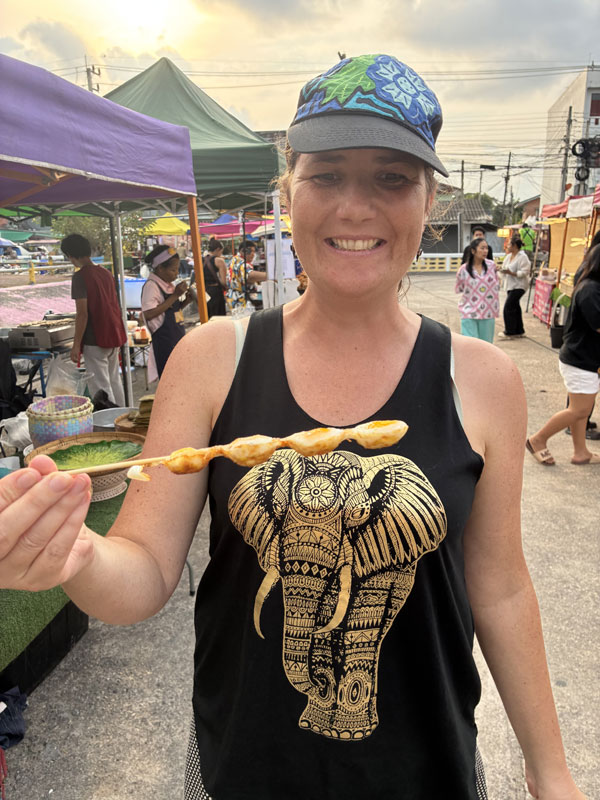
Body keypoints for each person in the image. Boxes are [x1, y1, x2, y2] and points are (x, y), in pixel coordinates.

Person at [0, 54, 585, 800]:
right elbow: (142, 574)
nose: (355, 208)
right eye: (327, 175)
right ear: (288, 192)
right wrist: (76, 555)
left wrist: (550, 770)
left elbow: (499, 587)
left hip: (429, 772)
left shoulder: (483, 380)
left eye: (391, 178)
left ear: (430, 201)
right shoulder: (213, 359)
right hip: (242, 770)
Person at [527, 243, 600, 466]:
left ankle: (581, 452)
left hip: (584, 358)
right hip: (579, 359)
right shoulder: (590, 290)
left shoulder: (592, 287)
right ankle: (537, 440)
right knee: (580, 409)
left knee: (580, 409)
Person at [62, 233, 126, 406]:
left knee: (101, 387)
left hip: (95, 338)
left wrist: (76, 345)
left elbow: (82, 314)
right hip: (113, 334)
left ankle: (109, 420)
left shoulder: (80, 277)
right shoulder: (105, 273)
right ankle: (123, 415)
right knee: (114, 380)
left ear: (70, 255)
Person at [140, 244, 194, 381]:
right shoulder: (152, 286)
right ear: (160, 268)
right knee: (170, 381)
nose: (176, 273)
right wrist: (175, 296)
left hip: (176, 338)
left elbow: (170, 310)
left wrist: (186, 301)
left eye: (177, 270)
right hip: (165, 343)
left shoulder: (167, 285)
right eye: (173, 270)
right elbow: (149, 314)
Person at [455, 237, 500, 342]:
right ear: (473, 250)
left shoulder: (492, 266)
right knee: (470, 343)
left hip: (488, 312)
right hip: (469, 311)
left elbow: (497, 285)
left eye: (486, 248)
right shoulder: (464, 269)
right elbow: (459, 288)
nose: (485, 251)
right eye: (482, 248)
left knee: (486, 344)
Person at [499, 236, 531, 337]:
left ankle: (509, 331)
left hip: (519, 286)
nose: (507, 246)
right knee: (515, 307)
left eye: (509, 244)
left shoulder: (523, 257)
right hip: (510, 285)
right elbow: (504, 268)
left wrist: (512, 273)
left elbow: (525, 272)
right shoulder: (508, 257)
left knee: (508, 307)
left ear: (515, 246)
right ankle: (519, 330)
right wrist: (501, 270)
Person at [225, 240, 267, 312]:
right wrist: (271, 276)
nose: (253, 254)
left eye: (254, 251)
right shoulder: (241, 263)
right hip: (241, 301)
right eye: (251, 251)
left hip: (233, 298)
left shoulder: (234, 259)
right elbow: (250, 276)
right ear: (243, 251)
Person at [202, 237, 227, 318]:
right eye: (221, 252)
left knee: (207, 317)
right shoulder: (219, 261)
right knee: (218, 319)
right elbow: (224, 282)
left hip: (204, 292)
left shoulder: (200, 259)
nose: (221, 254)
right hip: (216, 293)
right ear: (218, 249)